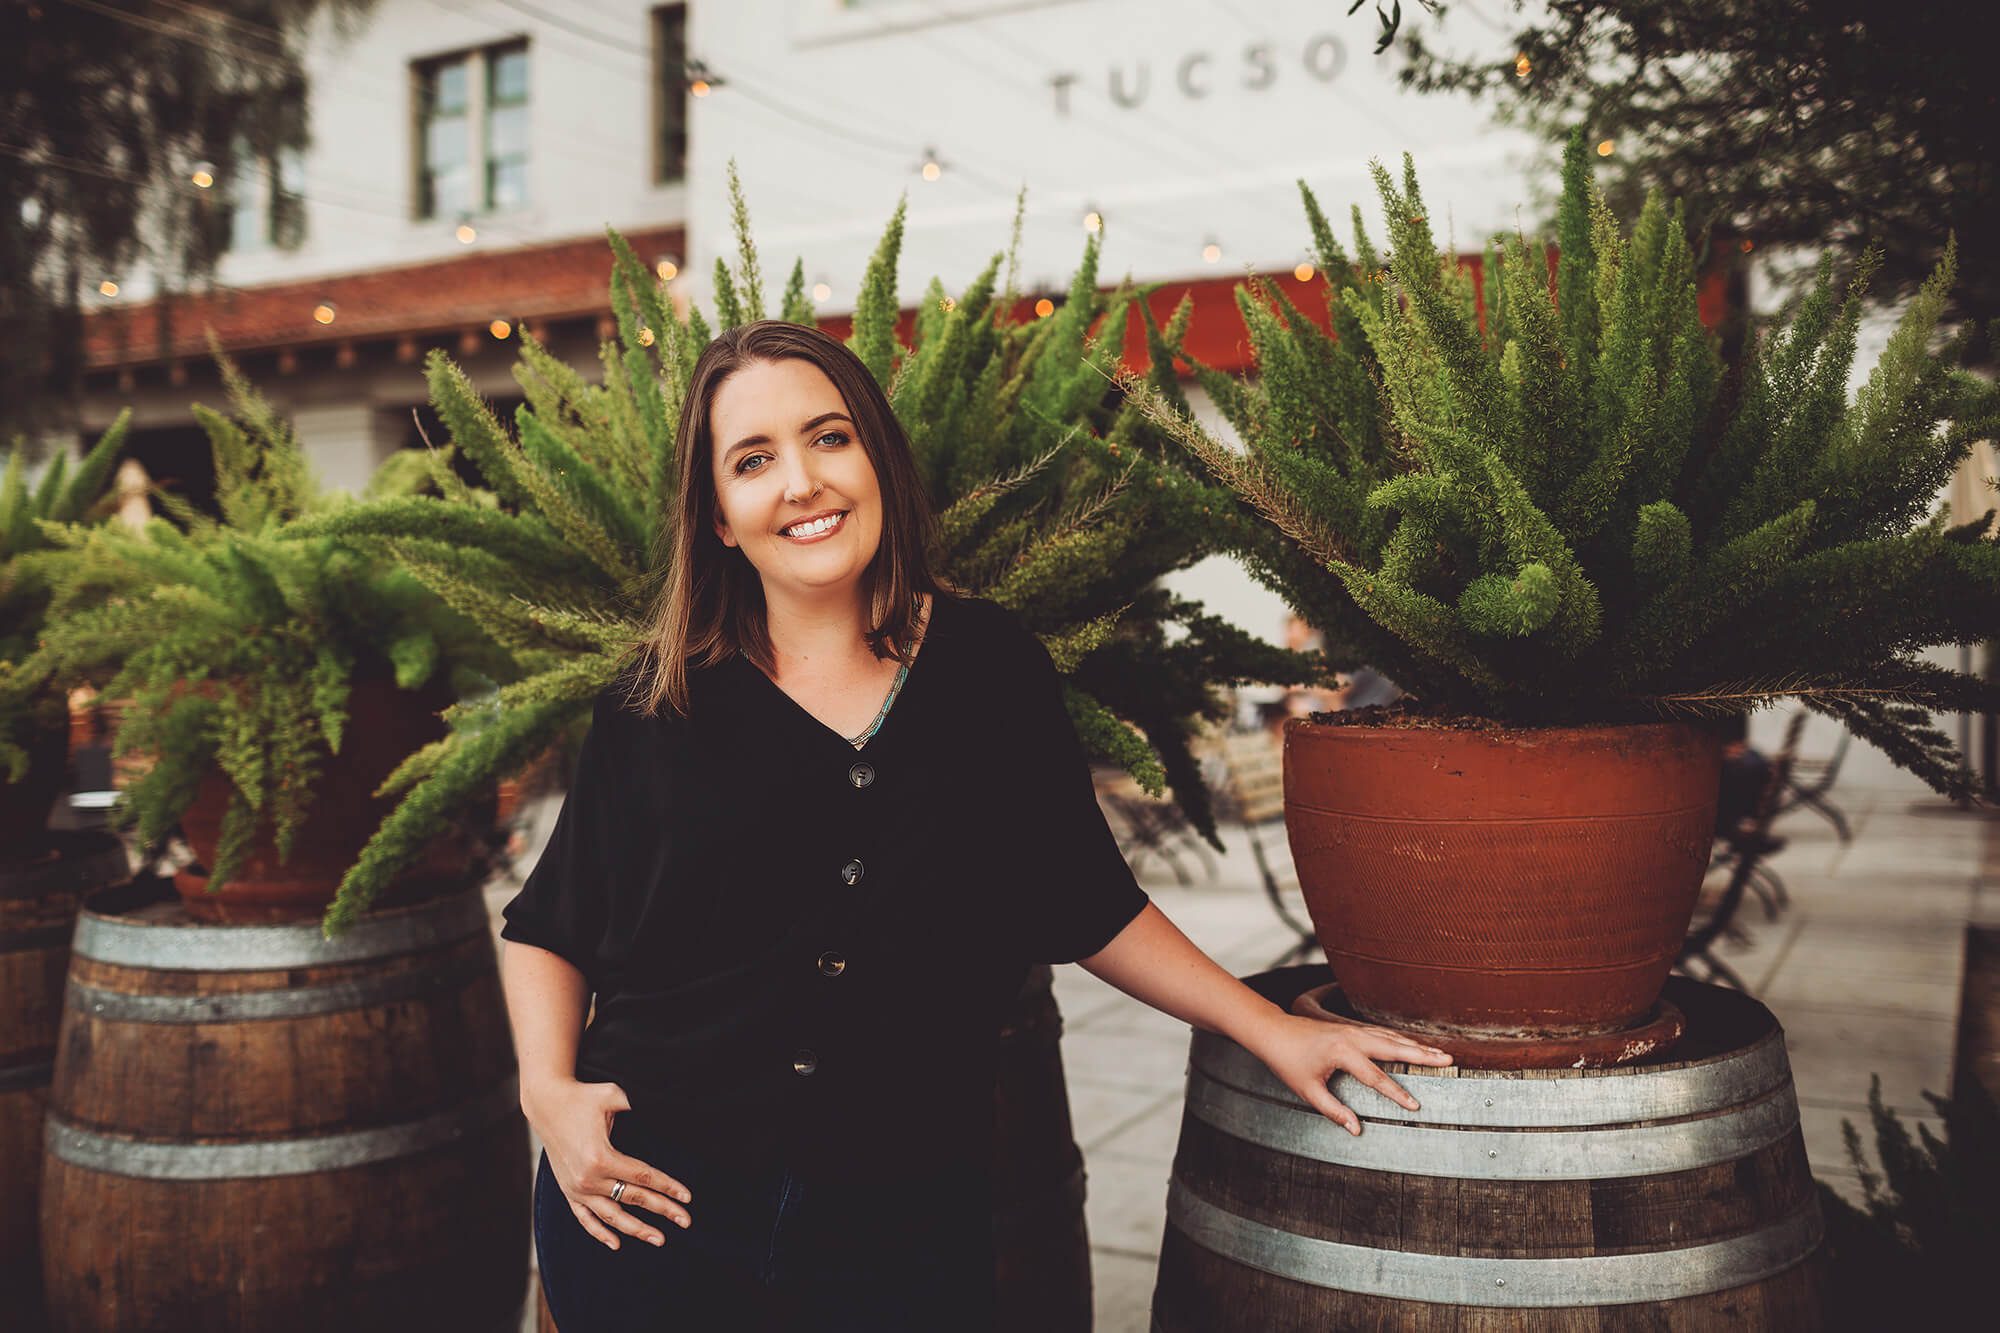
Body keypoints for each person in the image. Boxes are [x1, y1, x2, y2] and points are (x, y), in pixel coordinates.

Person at [498, 320, 1452, 1331]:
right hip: (655, 1214)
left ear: (877, 459)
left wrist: (1267, 1025)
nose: (800, 483)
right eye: (752, 459)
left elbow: (1083, 900)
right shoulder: (657, 704)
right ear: (721, 519)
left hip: (901, 1224)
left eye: (828, 438)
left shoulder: (989, 667)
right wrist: (547, 1091)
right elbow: (548, 925)